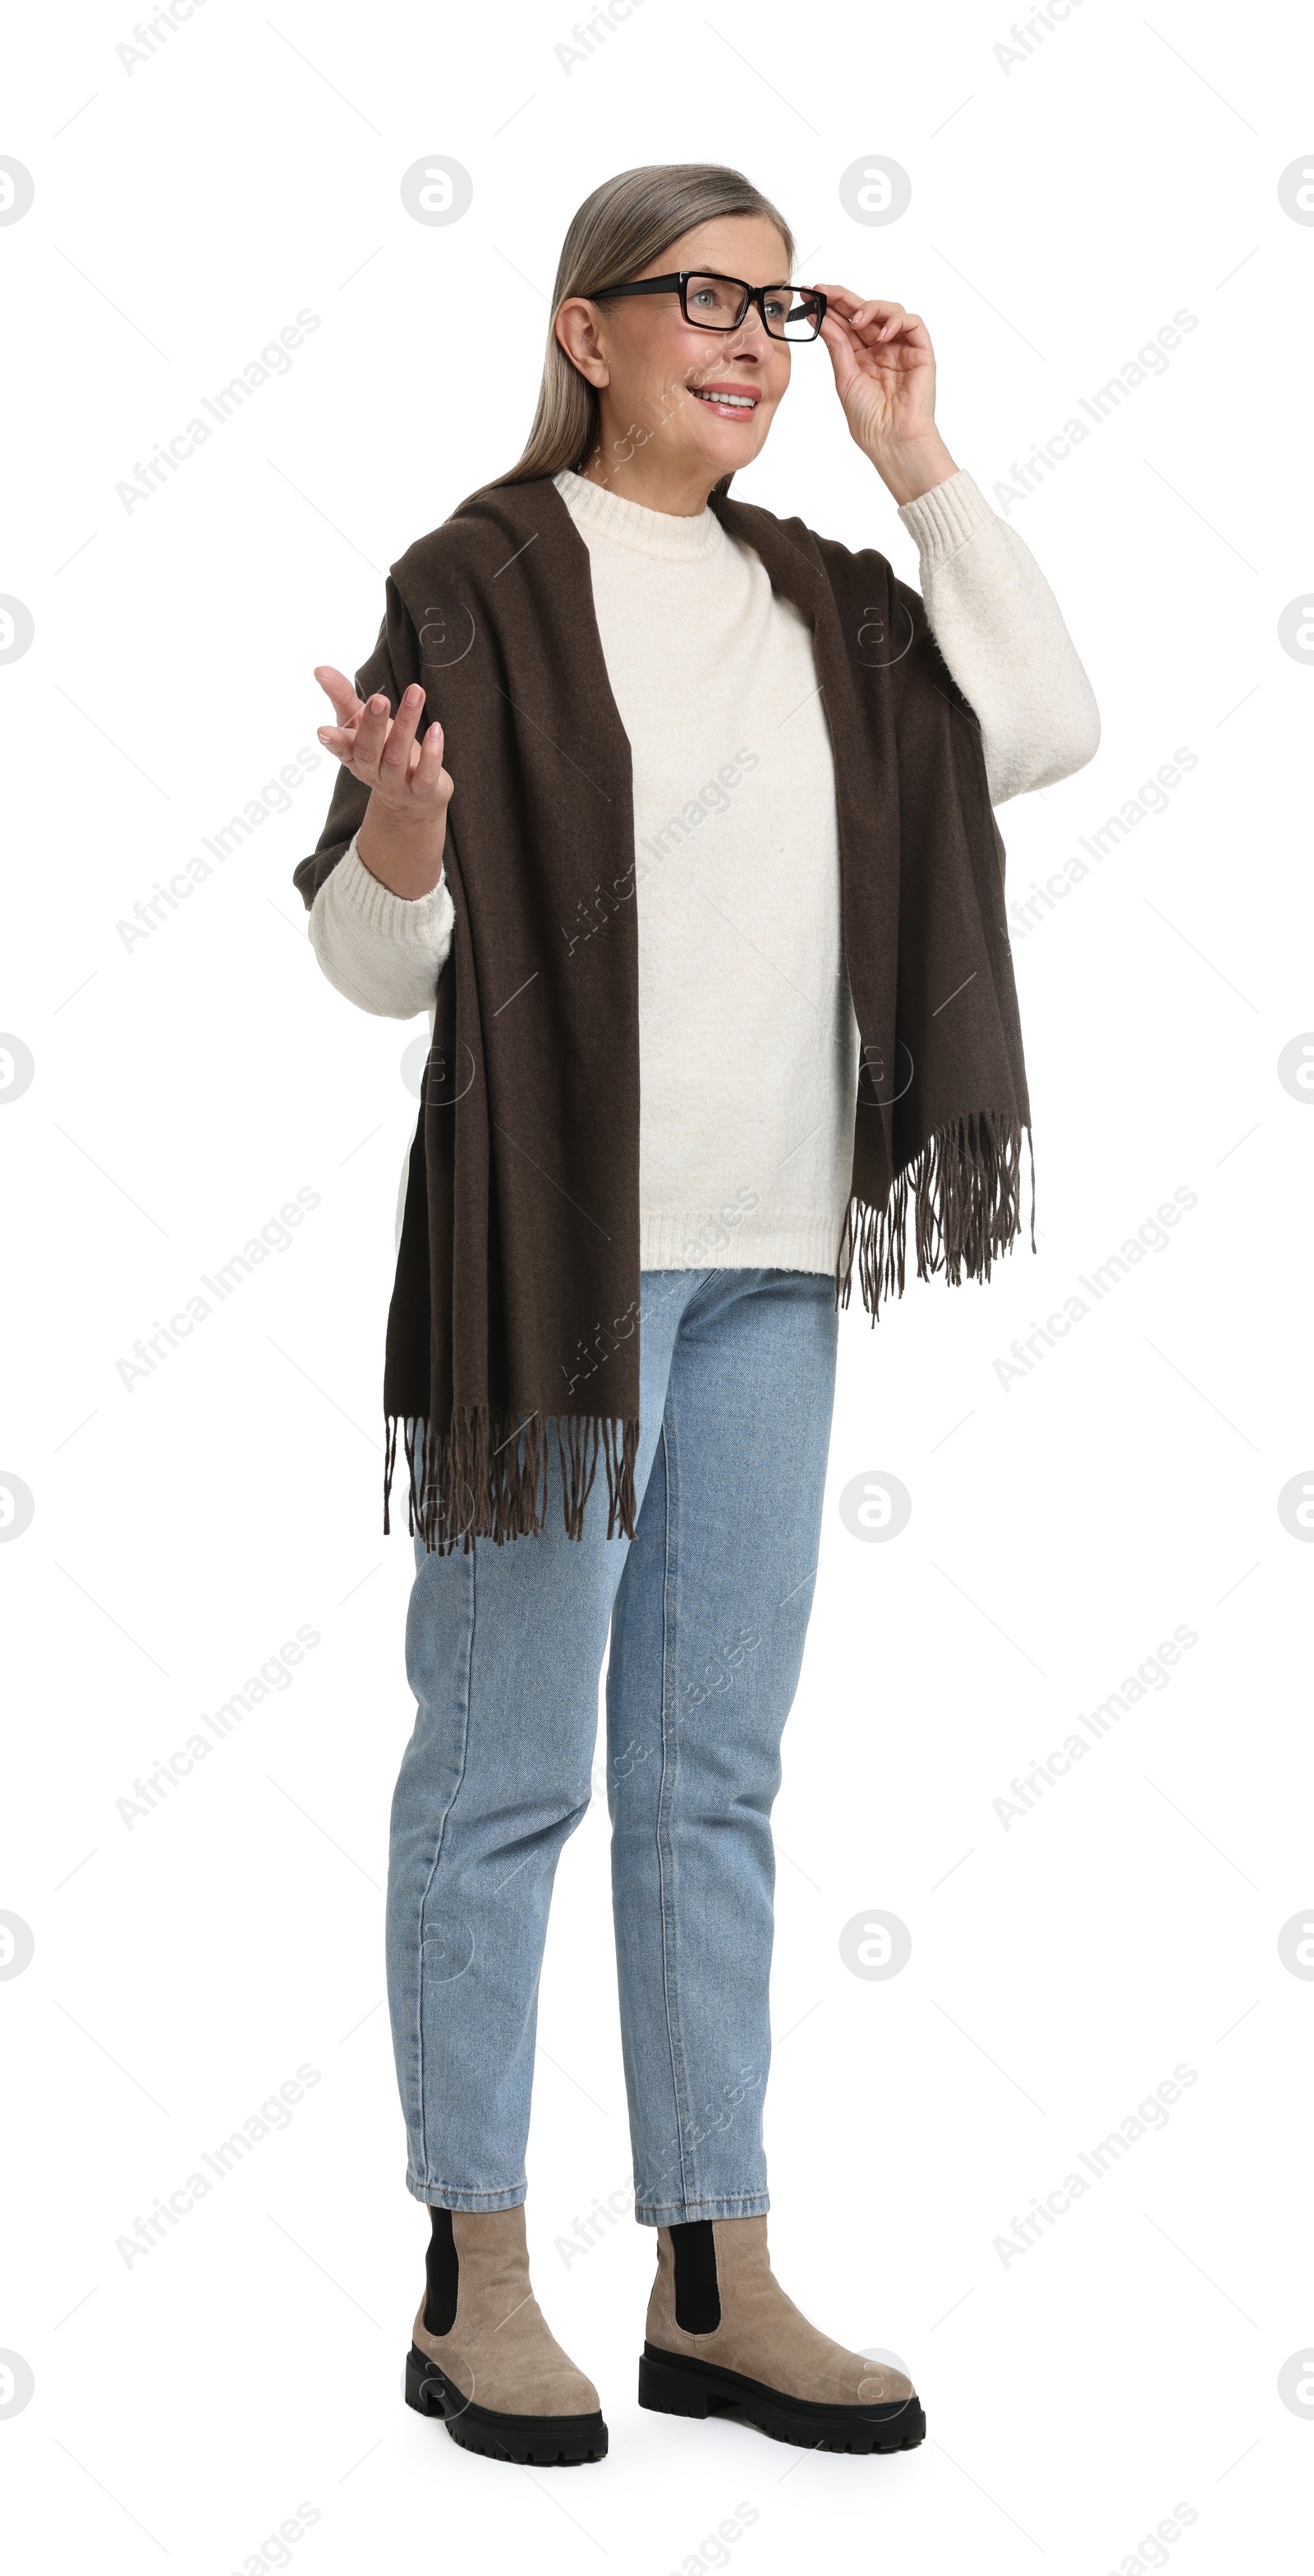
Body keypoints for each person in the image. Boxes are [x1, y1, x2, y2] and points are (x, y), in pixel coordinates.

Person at [294, 161, 1098, 2467]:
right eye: (701, 300)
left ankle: (715, 2277)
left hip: (769, 1271)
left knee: (708, 1782)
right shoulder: (481, 580)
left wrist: (918, 450)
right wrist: (407, 838)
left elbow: (1042, 718)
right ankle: (479, 2279)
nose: (749, 341)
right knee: (505, 1771)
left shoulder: (834, 600)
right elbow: (376, 972)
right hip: (558, 1280)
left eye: (779, 305)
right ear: (585, 331)